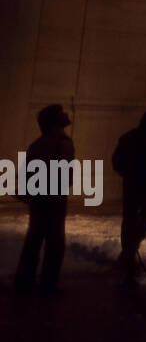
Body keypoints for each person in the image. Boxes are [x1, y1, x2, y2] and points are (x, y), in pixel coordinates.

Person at [14, 104, 76, 296]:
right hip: (51, 199)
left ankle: (25, 282)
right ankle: (46, 284)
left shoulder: (41, 144)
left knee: (36, 240)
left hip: (44, 199)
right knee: (53, 243)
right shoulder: (59, 143)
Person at [112, 109, 146, 282]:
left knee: (130, 219)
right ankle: (129, 251)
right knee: (143, 219)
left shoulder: (129, 137)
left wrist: (128, 171)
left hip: (133, 181)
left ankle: (128, 252)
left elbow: (117, 161)